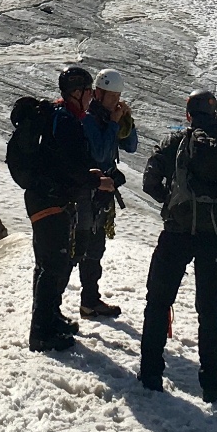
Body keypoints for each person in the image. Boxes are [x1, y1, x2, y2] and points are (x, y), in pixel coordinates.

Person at [139, 88, 217, 401]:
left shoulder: (175, 142)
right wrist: (216, 205)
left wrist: (173, 202)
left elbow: (149, 180)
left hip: (176, 233)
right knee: (209, 312)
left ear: (189, 114)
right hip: (213, 236)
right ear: (214, 115)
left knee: (159, 302)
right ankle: (211, 384)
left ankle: (150, 375)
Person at [25, 66, 107, 352]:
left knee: (50, 263)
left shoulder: (62, 117)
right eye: (88, 92)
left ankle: (51, 318)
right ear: (77, 92)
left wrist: (91, 175)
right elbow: (71, 168)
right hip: (49, 200)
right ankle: (41, 333)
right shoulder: (67, 121)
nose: (91, 98)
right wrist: (98, 179)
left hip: (45, 199)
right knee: (53, 265)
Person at [77, 68, 139, 318]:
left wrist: (126, 122)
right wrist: (114, 123)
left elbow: (131, 146)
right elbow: (101, 153)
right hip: (89, 193)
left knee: (95, 247)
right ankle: (86, 300)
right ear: (99, 94)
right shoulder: (89, 120)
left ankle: (90, 300)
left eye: (118, 97)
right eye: (112, 96)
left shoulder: (105, 119)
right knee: (85, 246)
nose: (116, 101)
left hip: (102, 193)